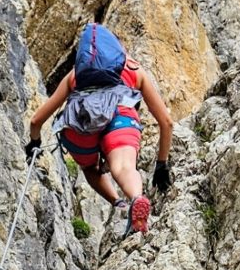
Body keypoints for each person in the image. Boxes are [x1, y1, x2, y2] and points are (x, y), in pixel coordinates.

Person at [27, 29, 173, 236]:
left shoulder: (77, 74)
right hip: (120, 119)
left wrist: (34, 143)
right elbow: (166, 122)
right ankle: (136, 199)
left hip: (81, 129)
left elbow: (36, 120)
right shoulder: (134, 70)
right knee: (123, 167)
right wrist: (161, 164)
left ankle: (118, 202)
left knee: (89, 168)